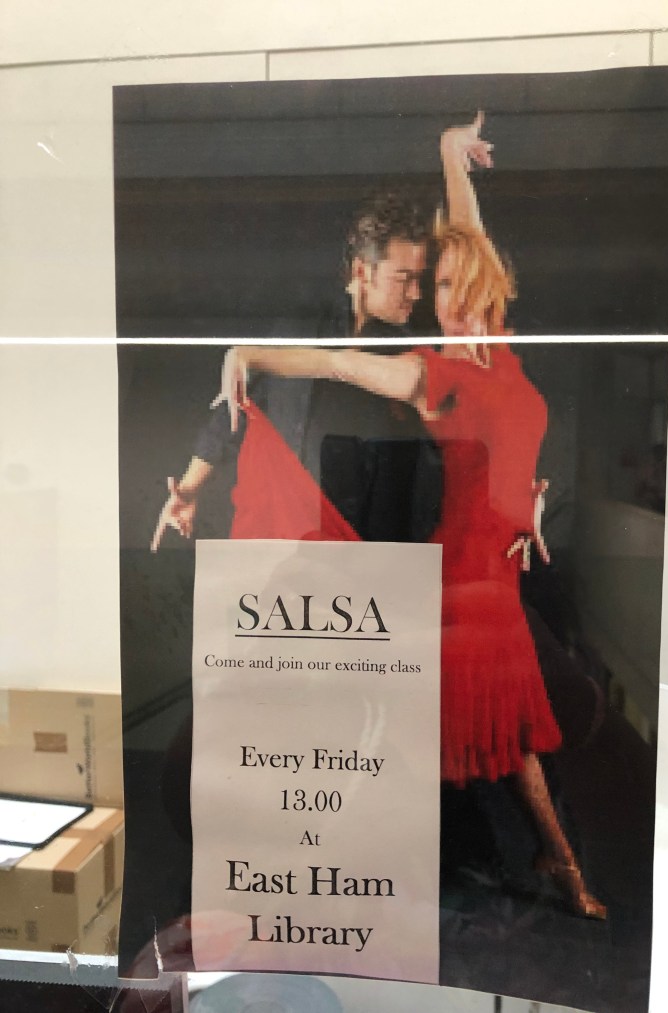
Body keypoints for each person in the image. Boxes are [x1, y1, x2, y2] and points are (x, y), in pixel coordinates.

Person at [212, 114, 606, 920]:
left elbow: (468, 233)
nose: (449, 304)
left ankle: (551, 857)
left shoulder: (501, 350)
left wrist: (449, 154)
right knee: (428, 734)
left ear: (485, 285)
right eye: (438, 291)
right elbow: (337, 363)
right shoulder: (433, 375)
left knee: (509, 735)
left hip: (497, 578)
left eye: (459, 287)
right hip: (459, 585)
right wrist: (248, 354)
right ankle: (326, 862)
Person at [152, 190, 439, 550]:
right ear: (362, 272)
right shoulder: (301, 326)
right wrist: (188, 489)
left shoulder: (413, 354)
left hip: (367, 551)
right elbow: (234, 409)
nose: (415, 293)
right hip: (285, 541)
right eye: (403, 278)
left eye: (419, 279)